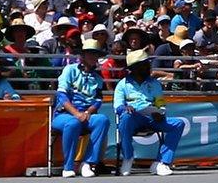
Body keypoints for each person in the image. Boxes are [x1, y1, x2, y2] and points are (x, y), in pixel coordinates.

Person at [113, 48, 188, 176]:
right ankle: (128, 157)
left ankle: (161, 163)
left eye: (148, 63)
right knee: (125, 118)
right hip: (133, 117)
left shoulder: (155, 83)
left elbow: (160, 103)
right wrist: (125, 108)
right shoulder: (123, 84)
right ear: (135, 68)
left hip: (152, 117)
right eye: (145, 64)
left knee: (178, 124)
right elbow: (117, 106)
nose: (149, 67)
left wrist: (160, 112)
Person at [53, 39, 112, 177]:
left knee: (102, 120)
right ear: (82, 56)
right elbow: (61, 96)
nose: (93, 57)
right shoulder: (69, 70)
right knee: (73, 123)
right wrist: (76, 114)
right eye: (90, 53)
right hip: (64, 114)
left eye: (96, 54)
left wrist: (87, 112)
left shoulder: (98, 77)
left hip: (86, 115)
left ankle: (88, 163)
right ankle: (68, 166)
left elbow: (97, 101)